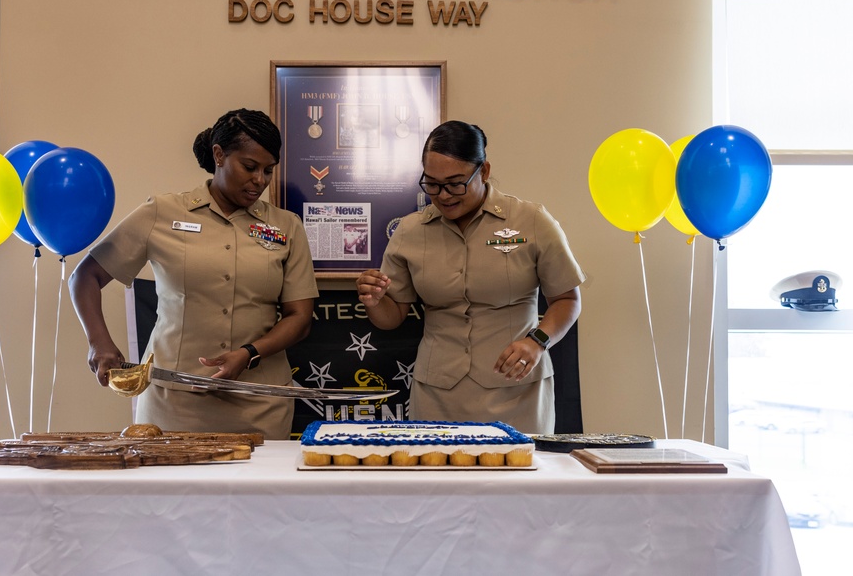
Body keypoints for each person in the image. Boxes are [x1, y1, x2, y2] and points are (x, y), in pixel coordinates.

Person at [69, 108, 319, 439]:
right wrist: (99, 344)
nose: (260, 179)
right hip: (173, 403)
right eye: (249, 167)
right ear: (219, 154)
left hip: (260, 404)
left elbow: (299, 317)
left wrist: (249, 354)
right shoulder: (162, 212)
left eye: (268, 171)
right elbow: (85, 277)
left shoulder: (287, 226)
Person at [356, 120, 585, 434]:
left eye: (455, 183)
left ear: (485, 171)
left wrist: (537, 342)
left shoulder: (531, 221)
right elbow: (392, 316)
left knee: (516, 477)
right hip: (438, 395)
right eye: (432, 184)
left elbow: (567, 299)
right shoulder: (410, 231)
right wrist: (374, 301)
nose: (444, 195)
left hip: (516, 389)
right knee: (438, 479)